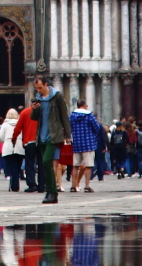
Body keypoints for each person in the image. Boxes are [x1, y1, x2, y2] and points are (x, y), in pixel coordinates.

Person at [32, 76, 70, 204]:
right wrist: (35, 109)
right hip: (41, 135)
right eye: (36, 88)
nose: (38, 90)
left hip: (53, 134)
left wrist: (68, 135)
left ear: (46, 84)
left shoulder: (57, 96)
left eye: (40, 87)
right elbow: (34, 118)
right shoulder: (38, 98)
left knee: (47, 161)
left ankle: (51, 191)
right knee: (45, 164)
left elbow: (64, 115)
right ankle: (52, 193)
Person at [68, 99, 101, 192]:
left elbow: (68, 127)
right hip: (88, 143)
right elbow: (97, 127)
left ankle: (73, 185)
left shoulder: (72, 115)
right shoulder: (89, 115)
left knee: (75, 165)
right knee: (88, 166)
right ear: (84, 105)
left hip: (77, 143)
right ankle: (87, 186)